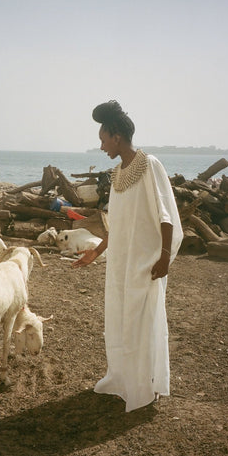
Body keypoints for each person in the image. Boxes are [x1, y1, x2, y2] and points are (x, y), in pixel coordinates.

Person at [73, 101, 183, 411]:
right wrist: (95, 252)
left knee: (143, 321)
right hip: (120, 264)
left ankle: (146, 386)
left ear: (117, 136)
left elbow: (166, 216)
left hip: (145, 262)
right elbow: (118, 226)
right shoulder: (117, 173)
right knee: (121, 320)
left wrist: (163, 256)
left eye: (103, 138)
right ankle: (123, 380)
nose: (101, 145)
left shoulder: (150, 165)